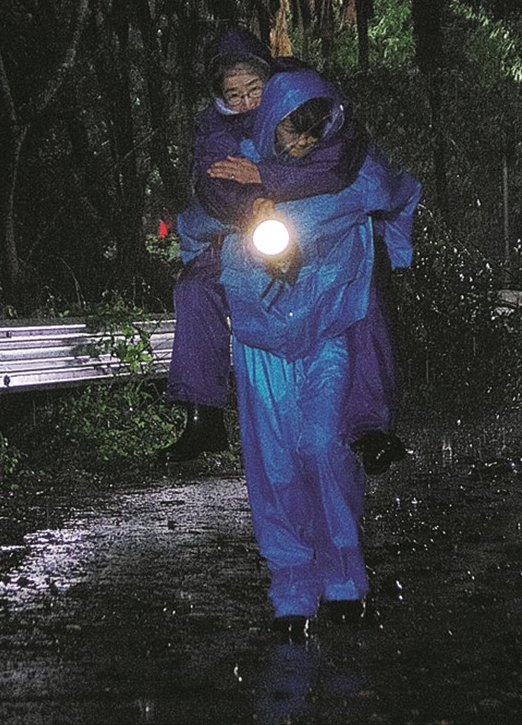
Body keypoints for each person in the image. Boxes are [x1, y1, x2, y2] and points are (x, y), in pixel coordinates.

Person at [178, 68, 420, 639]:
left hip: (328, 329)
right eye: (290, 130)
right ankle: (291, 585)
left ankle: (344, 575)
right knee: (273, 465)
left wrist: (394, 253)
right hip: (261, 338)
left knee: (320, 444)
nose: (301, 143)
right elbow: (192, 223)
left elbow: (402, 190)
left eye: (312, 131)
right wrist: (227, 230)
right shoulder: (238, 173)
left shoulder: (352, 172)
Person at [158, 26, 406, 475]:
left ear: (270, 80)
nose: (247, 102)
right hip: (255, 228)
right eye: (233, 94)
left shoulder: (308, 93)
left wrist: (265, 178)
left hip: (329, 227)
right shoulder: (216, 127)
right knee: (194, 287)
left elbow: (339, 164)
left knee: (366, 294)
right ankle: (203, 412)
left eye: (255, 89)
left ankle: (371, 425)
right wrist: (253, 203)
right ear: (219, 96)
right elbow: (213, 185)